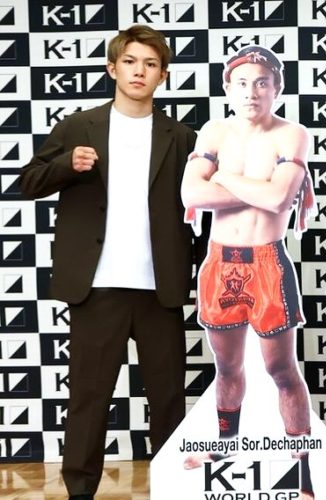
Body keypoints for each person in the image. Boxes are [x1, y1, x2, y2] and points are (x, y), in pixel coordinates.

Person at [18, 24, 197, 500]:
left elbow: (200, 210)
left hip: (160, 288)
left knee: (168, 400)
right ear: (112, 68)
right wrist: (66, 165)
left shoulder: (183, 136)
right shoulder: (79, 126)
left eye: (151, 64)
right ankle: (80, 491)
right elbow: (28, 182)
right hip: (97, 287)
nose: (140, 71)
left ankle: (174, 489)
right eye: (131, 61)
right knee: (88, 399)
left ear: (163, 75)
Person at [179, 44, 317, 499]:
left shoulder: (292, 134)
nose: (252, 92)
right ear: (228, 88)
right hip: (221, 260)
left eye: (262, 83)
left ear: (277, 88)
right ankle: (225, 448)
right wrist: (255, 187)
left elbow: (278, 200)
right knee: (227, 367)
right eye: (242, 83)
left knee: (281, 369)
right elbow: (190, 195)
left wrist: (220, 178)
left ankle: (303, 470)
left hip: (267, 262)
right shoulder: (214, 131)